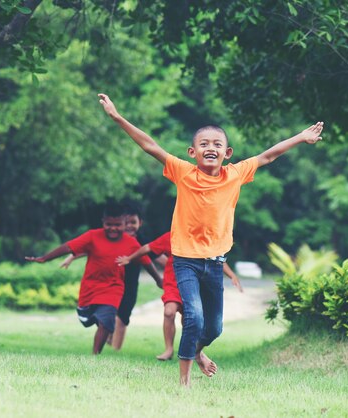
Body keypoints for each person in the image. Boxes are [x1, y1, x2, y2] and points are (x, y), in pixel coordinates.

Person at [98, 93, 323, 386]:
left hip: (215, 263)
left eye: (217, 144)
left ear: (227, 152)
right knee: (193, 317)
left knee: (214, 328)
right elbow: (149, 145)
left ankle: (198, 351)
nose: (210, 148)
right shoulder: (183, 172)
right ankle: (184, 381)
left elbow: (268, 155)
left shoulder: (235, 174)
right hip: (186, 261)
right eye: (204, 144)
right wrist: (117, 117)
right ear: (193, 152)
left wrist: (300, 137)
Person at [25, 203, 162, 355]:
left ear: (123, 223)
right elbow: (69, 247)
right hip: (90, 288)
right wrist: (45, 258)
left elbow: (146, 261)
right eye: (109, 224)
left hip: (114, 288)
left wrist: (158, 279)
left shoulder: (131, 243)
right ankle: (94, 319)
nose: (113, 228)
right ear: (103, 222)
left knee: (107, 319)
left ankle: (95, 354)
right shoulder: (92, 236)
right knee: (88, 320)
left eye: (118, 225)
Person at [117, 231, 243, 361]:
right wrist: (129, 258)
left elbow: (217, 258)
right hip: (173, 284)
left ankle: (193, 351)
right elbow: (148, 247)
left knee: (190, 320)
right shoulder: (174, 236)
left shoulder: (204, 237)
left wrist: (232, 275)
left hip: (194, 286)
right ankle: (169, 349)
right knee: (169, 311)